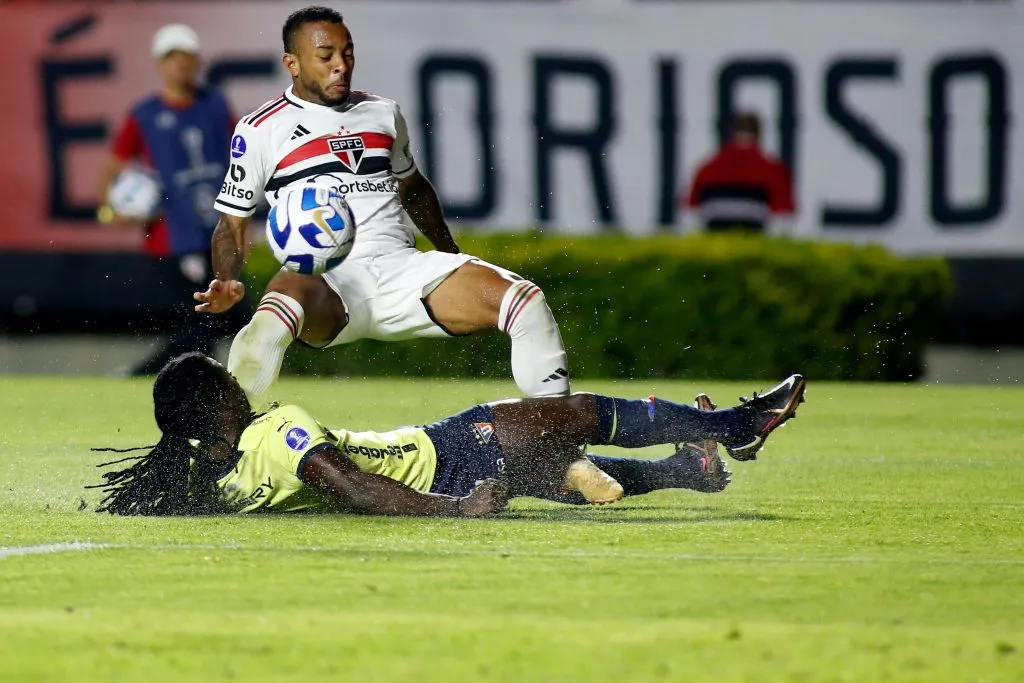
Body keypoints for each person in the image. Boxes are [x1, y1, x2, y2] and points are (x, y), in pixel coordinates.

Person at [194, 6, 570, 412]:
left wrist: (449, 253)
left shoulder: (382, 113)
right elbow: (232, 224)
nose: (341, 65)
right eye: (326, 56)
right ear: (293, 64)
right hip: (327, 281)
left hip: (402, 269)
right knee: (268, 321)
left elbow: (414, 188)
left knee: (525, 300)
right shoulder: (259, 128)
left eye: (348, 53)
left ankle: (556, 454)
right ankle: (225, 456)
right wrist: (227, 278)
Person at [89, 352, 807, 517]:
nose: (240, 382)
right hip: (448, 451)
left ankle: (689, 468)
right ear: (219, 397)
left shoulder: (221, 478)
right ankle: (736, 427)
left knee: (558, 461)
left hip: (452, 469)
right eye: (226, 378)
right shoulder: (278, 428)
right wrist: (453, 508)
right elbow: (352, 481)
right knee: (576, 410)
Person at [97, 23, 248, 375]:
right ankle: (147, 374)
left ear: (197, 62)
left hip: (218, 231)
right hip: (172, 237)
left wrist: (242, 225)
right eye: (172, 58)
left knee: (225, 317)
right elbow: (110, 170)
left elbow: (239, 157)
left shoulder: (213, 105)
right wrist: (111, 210)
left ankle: (162, 376)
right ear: (160, 64)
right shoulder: (145, 114)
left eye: (187, 57)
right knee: (209, 319)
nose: (180, 65)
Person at [684, 112, 796, 233]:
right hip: (755, 241)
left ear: (732, 133)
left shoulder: (706, 168)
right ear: (759, 134)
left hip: (714, 241)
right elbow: (784, 215)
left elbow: (691, 210)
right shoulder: (773, 169)